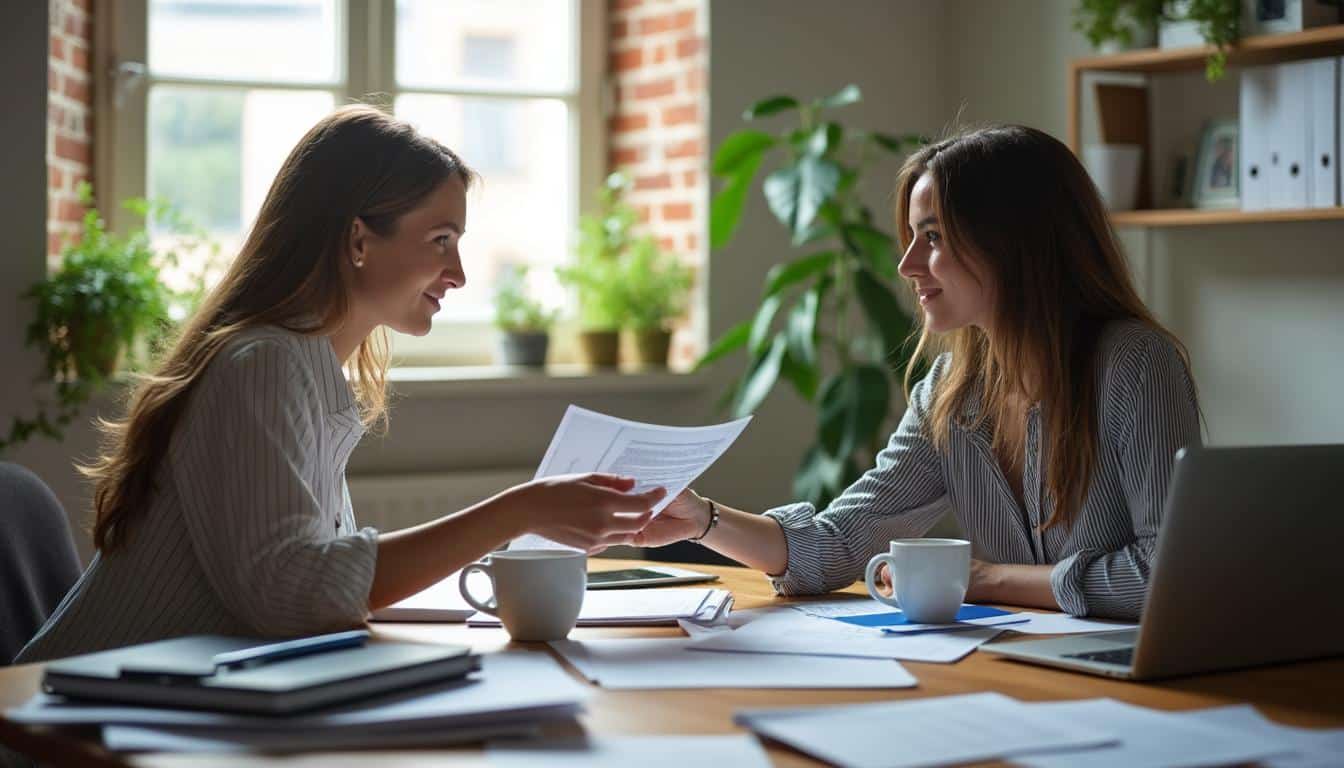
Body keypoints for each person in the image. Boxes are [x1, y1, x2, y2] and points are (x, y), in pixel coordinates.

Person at [15, 105, 664, 663]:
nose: (459, 273)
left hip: (156, 712)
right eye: (441, 240)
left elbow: (314, 589)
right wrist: (519, 510)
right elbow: (293, 595)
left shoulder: (304, 368)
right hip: (67, 732)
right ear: (358, 239)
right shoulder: (263, 365)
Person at [636, 125, 1201, 620]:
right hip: (1022, 664)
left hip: (1143, 677)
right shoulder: (951, 392)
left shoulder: (1135, 365)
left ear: (1014, 243)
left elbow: (1169, 575)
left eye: (932, 238)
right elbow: (838, 543)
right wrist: (701, 519)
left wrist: (987, 580)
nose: (907, 266)